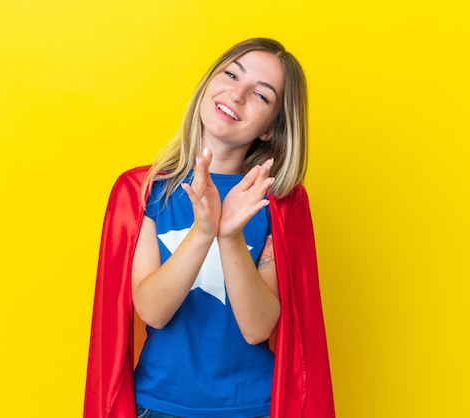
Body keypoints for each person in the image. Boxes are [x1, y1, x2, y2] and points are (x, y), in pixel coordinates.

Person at [84, 38, 334, 418]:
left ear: (270, 129)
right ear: (208, 84)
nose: (237, 94)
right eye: (231, 74)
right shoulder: (145, 191)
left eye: (261, 96)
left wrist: (230, 235)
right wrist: (204, 230)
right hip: (158, 406)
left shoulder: (280, 203)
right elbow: (152, 311)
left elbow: (257, 329)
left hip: (253, 407)